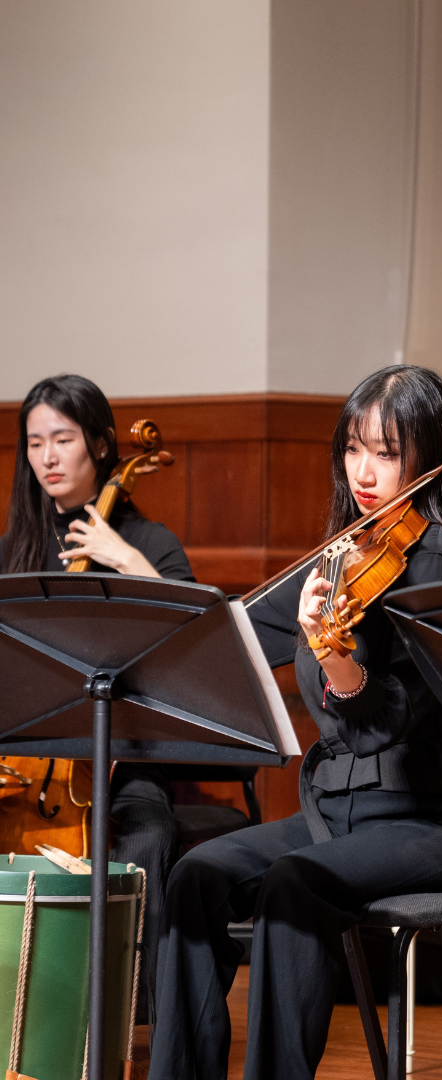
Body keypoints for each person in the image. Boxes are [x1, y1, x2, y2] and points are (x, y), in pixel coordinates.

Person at [148, 365, 442, 1080]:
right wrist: (156, 644)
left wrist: (330, 650)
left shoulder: (435, 561)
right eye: (354, 449)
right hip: (339, 811)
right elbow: (240, 634)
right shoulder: (347, 554)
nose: (365, 472)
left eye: (387, 453)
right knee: (195, 875)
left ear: (428, 456)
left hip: (433, 818)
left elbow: (385, 720)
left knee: (294, 884)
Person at [0, 373, 195, 1020]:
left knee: (145, 835)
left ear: (103, 445)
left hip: (127, 758)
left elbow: (193, 650)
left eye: (63, 439)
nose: (47, 457)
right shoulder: (14, 552)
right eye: (35, 443)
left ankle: (130, 1023)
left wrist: (126, 561)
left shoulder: (152, 544)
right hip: (25, 760)